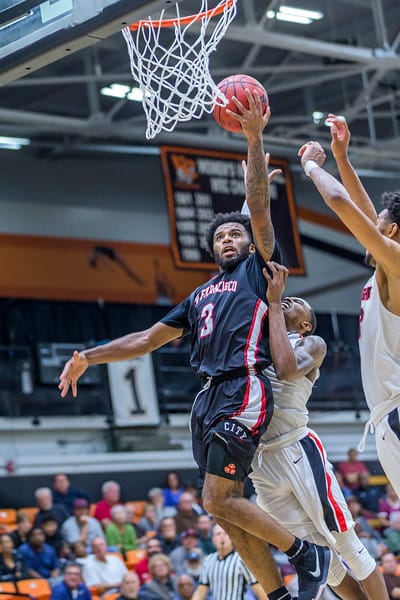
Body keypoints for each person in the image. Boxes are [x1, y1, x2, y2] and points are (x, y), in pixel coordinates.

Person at [58, 90, 331, 600]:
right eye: (221, 237)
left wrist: (253, 138)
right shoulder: (200, 295)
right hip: (206, 399)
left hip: (243, 388)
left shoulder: (256, 271)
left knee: (216, 497)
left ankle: (306, 553)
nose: (228, 240)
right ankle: (278, 594)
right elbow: (144, 339)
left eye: (235, 235)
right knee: (220, 504)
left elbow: (257, 206)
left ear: (249, 245)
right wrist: (88, 356)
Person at [248, 261, 388, 600]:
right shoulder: (257, 343)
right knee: (326, 563)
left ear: (306, 323)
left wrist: (276, 297)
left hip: (297, 450)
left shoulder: (313, 344)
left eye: (294, 302)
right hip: (260, 462)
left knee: (347, 545)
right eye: (285, 299)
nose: (286, 301)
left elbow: (285, 369)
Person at [297, 115, 400, 500]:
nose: (371, 226)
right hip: (389, 414)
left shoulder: (397, 263)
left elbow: (339, 201)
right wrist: (343, 157)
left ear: (389, 232)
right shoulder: (388, 267)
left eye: (378, 223)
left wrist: (311, 166)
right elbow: (362, 208)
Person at [192, 523, 266, 600]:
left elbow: (258, 588)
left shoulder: (240, 559)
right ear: (213, 539)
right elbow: (201, 590)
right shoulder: (208, 560)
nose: (222, 537)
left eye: (226, 533)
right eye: (218, 534)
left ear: (231, 538)